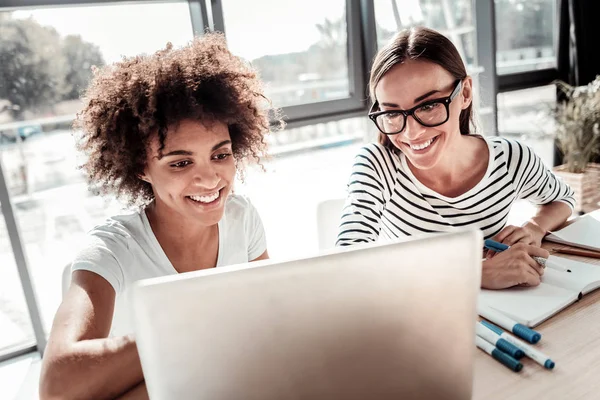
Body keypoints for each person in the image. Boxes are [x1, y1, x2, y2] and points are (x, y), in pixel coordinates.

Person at [39, 33, 281, 400]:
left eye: (220, 155)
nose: (210, 178)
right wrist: (196, 328)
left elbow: (273, 315)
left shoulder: (241, 217)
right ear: (141, 167)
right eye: (181, 162)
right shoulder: (110, 250)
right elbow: (57, 385)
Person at [336, 27, 575, 290]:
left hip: (502, 312)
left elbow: (563, 199)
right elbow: (349, 263)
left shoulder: (509, 158)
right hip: (417, 314)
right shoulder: (377, 165)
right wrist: (474, 274)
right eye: (392, 113)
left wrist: (534, 228)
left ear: (465, 94)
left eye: (428, 106)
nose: (411, 133)